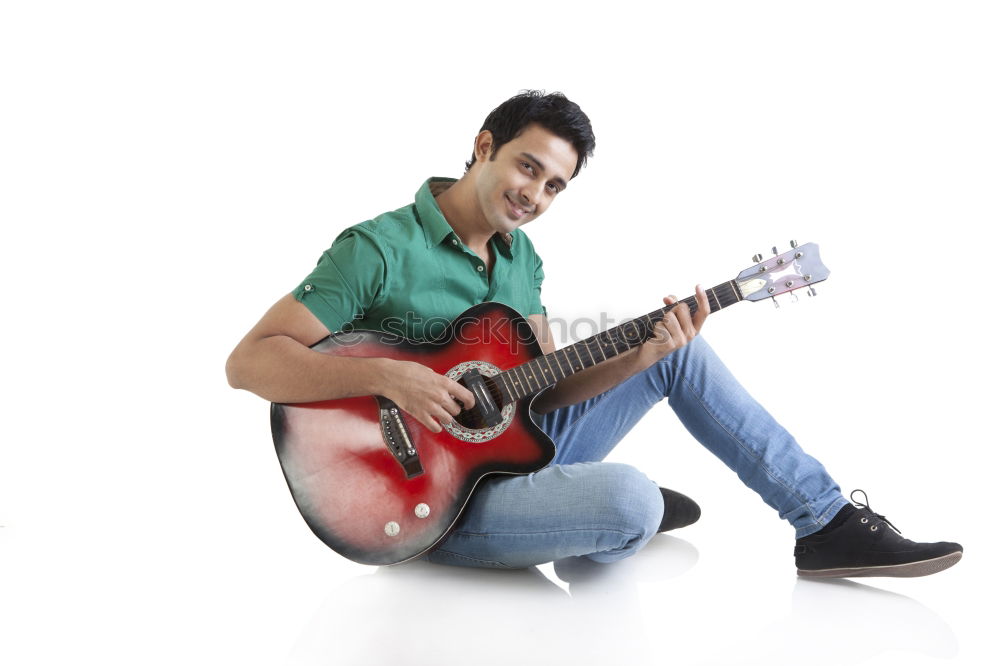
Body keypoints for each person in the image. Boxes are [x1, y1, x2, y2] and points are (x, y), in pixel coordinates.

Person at [226, 90, 962, 577]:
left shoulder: (523, 260)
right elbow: (250, 362)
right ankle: (593, 508)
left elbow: (542, 391)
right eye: (527, 167)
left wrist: (649, 351)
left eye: (555, 187)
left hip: (505, 456)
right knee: (634, 503)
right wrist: (389, 377)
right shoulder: (379, 247)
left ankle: (825, 522)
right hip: (423, 507)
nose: (534, 195)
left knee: (683, 351)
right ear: (483, 145)